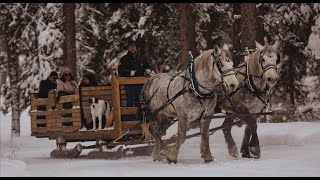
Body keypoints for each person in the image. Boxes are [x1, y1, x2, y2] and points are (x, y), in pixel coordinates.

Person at [118, 40, 152, 107]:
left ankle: (140, 116)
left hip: (141, 84)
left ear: (136, 47)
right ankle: (130, 116)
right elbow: (121, 70)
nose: (133, 48)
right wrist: (129, 72)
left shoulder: (142, 58)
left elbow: (147, 67)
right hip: (129, 85)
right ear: (128, 48)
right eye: (131, 47)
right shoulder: (124, 59)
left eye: (134, 46)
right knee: (130, 102)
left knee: (140, 101)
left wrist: (148, 70)